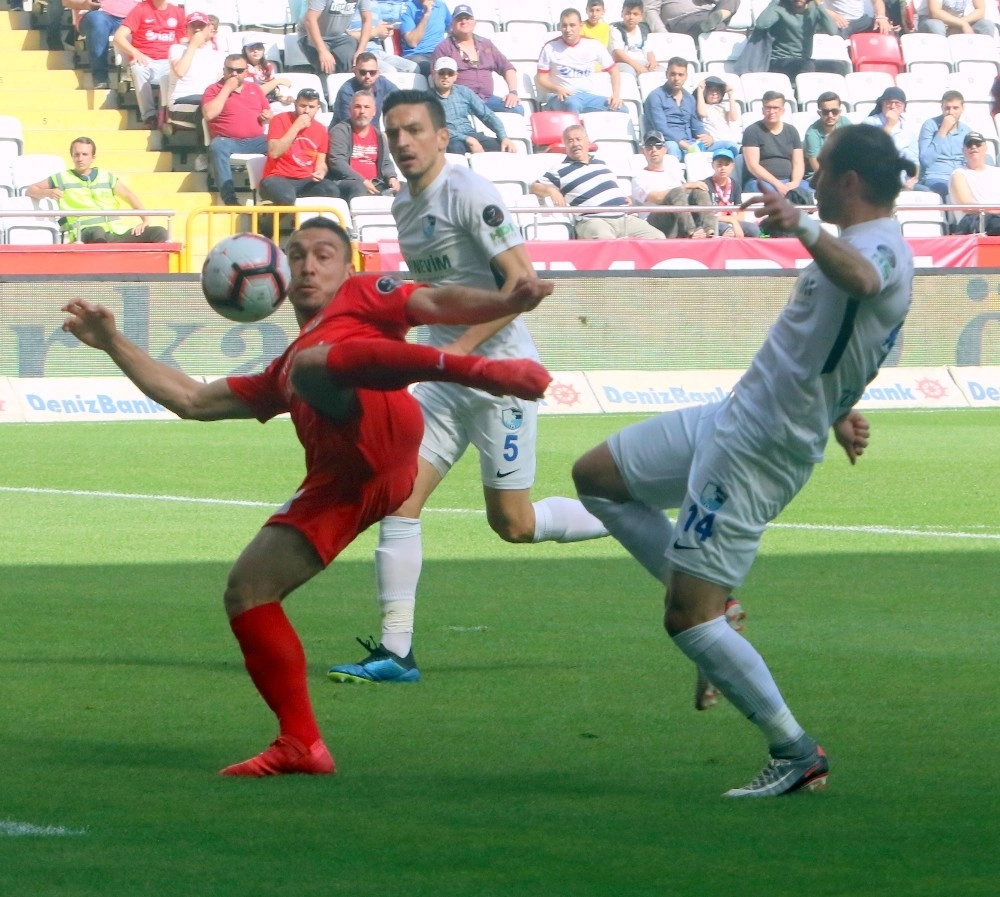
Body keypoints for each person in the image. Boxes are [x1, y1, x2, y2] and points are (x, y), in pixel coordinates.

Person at [61, 216, 553, 777]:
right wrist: (112, 342)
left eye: (323, 254)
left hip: (388, 438)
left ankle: (476, 372)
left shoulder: (365, 295)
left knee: (318, 365)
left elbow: (435, 302)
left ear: (348, 268)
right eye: (295, 255)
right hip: (343, 482)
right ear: (280, 274)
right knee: (247, 590)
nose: (308, 265)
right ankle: (301, 743)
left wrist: (501, 300)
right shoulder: (282, 370)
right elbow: (193, 400)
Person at [571, 123, 915, 797]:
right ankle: (717, 609)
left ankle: (795, 750)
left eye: (819, 173)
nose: (809, 182)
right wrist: (841, 406)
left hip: (760, 447)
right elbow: (841, 337)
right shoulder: (857, 242)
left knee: (683, 617)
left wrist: (803, 227)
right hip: (734, 415)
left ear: (848, 181)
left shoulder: (878, 249)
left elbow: (867, 282)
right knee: (597, 476)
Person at [327, 91, 610, 684]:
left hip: (500, 380)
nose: (401, 142)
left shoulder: (471, 193)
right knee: (398, 499)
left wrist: (457, 351)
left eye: (413, 130)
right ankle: (396, 652)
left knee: (514, 524)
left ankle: (628, 516)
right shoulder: (403, 202)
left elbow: (521, 282)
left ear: (440, 136)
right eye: (393, 132)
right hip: (443, 382)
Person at [531, 123, 667, 239]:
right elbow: (533, 186)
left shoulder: (601, 162)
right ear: (565, 145)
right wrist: (550, 190)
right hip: (593, 220)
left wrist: (622, 198)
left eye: (578, 139)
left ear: (587, 141)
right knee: (606, 241)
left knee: (658, 238)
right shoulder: (559, 169)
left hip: (624, 217)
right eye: (570, 141)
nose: (575, 144)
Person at [26, 136, 168, 243]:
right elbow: (30, 190)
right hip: (85, 233)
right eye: (76, 154)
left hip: (116, 232)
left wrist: (145, 220)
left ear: (93, 157)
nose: (80, 159)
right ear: (72, 156)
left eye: (84, 154)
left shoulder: (105, 176)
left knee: (160, 233)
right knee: (97, 233)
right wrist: (46, 193)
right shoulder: (62, 178)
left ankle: (158, 280)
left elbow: (128, 195)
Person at [202, 54, 272, 206]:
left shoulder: (254, 88)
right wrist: (227, 89)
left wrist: (267, 116)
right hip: (227, 140)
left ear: (246, 72)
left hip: (257, 140)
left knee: (279, 143)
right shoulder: (213, 89)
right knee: (217, 147)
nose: (234, 74)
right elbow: (209, 114)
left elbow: (267, 112)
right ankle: (230, 200)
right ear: (224, 70)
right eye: (230, 70)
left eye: (239, 70)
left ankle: (272, 193)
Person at [431, 5, 524, 114]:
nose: (463, 21)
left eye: (467, 18)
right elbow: (436, 76)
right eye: (459, 19)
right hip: (460, 101)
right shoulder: (444, 47)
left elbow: (508, 68)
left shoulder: (486, 44)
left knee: (517, 109)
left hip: (487, 99)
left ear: (474, 22)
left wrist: (513, 93)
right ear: (452, 24)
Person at [258, 88, 341, 210]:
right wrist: (295, 127)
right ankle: (266, 227)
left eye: (311, 107)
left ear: (318, 108)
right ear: (295, 104)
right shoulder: (279, 120)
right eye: (303, 105)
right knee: (286, 197)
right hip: (277, 177)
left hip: (306, 180)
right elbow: (274, 153)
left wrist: (321, 172)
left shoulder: (321, 130)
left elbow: (321, 163)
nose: (306, 111)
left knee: (331, 190)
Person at [537, 8, 625, 114]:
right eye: (564, 25)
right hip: (559, 98)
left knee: (621, 108)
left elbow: (614, 70)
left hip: (587, 96)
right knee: (573, 104)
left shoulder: (593, 45)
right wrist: (557, 89)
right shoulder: (550, 47)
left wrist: (616, 96)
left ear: (581, 25)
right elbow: (541, 78)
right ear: (560, 26)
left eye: (572, 25)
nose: (568, 29)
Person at [112, 0, 186, 128]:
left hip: (169, 60)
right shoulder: (141, 9)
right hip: (146, 59)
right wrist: (135, 52)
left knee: (182, 69)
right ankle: (149, 115)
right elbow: (118, 37)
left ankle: (172, 115)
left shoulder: (177, 12)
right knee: (138, 69)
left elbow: (183, 40)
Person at [631, 130, 718, 237]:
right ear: (643, 151)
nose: (654, 150)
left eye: (658, 146)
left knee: (698, 190)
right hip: (653, 223)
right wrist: (686, 186)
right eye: (649, 146)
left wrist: (692, 187)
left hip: (677, 218)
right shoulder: (639, 177)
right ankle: (691, 232)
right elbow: (657, 198)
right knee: (677, 191)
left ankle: (710, 230)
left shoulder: (673, 171)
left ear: (664, 149)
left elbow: (684, 195)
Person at [429, 57, 516, 153]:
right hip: (448, 139)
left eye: (450, 73)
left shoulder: (464, 92)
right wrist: (467, 139)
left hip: (470, 134)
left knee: (504, 147)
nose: (446, 76)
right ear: (434, 74)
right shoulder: (426, 99)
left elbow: (486, 115)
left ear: (455, 76)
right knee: (455, 148)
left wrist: (503, 136)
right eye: (442, 72)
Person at [326, 90, 400, 201]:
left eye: (366, 107)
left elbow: (385, 162)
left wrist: (392, 177)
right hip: (347, 183)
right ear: (349, 110)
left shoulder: (379, 135)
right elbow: (337, 162)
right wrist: (362, 180)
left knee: (409, 188)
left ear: (374, 111)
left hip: (376, 183)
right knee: (358, 187)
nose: (362, 111)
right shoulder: (340, 131)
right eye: (357, 107)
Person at [741, 90, 812, 202]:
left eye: (776, 108)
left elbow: (798, 162)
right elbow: (753, 166)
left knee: (809, 192)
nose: (771, 111)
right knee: (770, 194)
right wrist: (778, 185)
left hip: (790, 182)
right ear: (762, 110)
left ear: (782, 110)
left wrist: (795, 183)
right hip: (762, 181)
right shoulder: (752, 131)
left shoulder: (791, 131)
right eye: (768, 107)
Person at [753, 0, 846, 82]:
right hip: (779, 60)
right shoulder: (780, 8)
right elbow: (761, 24)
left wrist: (820, 5)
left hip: (804, 59)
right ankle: (803, 97)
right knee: (805, 65)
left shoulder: (814, 9)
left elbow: (833, 31)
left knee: (838, 67)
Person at [165, 12, 226, 131]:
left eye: (201, 25)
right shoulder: (177, 49)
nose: (197, 29)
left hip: (207, 99)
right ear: (186, 29)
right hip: (181, 102)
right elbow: (180, 72)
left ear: (209, 29)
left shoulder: (217, 55)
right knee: (208, 109)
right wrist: (193, 44)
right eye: (193, 25)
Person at [643, 58, 712, 162]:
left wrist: (708, 138)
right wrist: (685, 145)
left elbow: (697, 126)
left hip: (691, 143)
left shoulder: (690, 99)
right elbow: (661, 129)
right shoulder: (655, 97)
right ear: (666, 74)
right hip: (667, 142)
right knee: (672, 147)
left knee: (727, 145)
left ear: (686, 76)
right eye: (673, 74)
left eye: (680, 75)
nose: (676, 78)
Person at [66, 0, 138, 90]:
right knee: (98, 20)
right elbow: (66, 2)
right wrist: (85, 4)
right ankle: (100, 76)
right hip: (98, 14)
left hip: (134, 15)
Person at [918, 90, 973, 200]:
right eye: (947, 108)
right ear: (942, 107)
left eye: (955, 108)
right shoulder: (930, 125)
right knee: (946, 189)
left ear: (962, 108)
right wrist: (942, 131)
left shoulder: (966, 131)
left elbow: (968, 161)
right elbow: (925, 161)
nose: (951, 112)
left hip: (960, 176)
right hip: (936, 176)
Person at [863, 86, 920, 190]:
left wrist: (911, 181)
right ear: (882, 104)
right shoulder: (869, 123)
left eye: (897, 103)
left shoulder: (908, 128)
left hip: (902, 182)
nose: (893, 106)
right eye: (889, 102)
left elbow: (914, 160)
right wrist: (889, 125)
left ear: (903, 107)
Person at [299, 0, 372, 77]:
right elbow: (310, 20)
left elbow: (367, 20)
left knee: (355, 62)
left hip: (338, 36)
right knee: (326, 66)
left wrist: (360, 51)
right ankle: (325, 86)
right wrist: (323, 51)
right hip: (310, 35)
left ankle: (349, 86)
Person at [948, 130, 1000, 234]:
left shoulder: (997, 172)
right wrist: (995, 211)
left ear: (985, 148)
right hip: (973, 220)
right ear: (964, 150)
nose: (973, 147)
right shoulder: (958, 174)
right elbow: (967, 206)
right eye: (969, 144)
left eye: (977, 144)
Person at [346, 0, 419, 73]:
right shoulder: (349, 5)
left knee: (413, 68)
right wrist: (375, 32)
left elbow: (379, 29)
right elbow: (345, 36)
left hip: (380, 52)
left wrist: (386, 31)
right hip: (361, 54)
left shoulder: (374, 4)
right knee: (388, 71)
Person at [702, 146, 761, 237]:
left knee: (754, 229)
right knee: (727, 230)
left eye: (726, 164)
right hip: (714, 222)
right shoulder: (706, 184)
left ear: (732, 166)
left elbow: (741, 215)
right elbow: (707, 216)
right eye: (719, 164)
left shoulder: (735, 185)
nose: (723, 168)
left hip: (732, 220)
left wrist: (733, 221)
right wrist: (731, 221)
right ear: (712, 165)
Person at [332, 52, 401, 126]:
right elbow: (350, 126)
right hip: (345, 134)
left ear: (378, 73)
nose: (368, 76)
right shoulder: (346, 92)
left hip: (372, 134)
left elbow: (403, 101)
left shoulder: (384, 84)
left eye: (372, 72)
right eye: (363, 72)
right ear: (355, 71)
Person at [803, 91, 849, 180]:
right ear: (819, 113)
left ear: (840, 111)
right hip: (818, 177)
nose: (830, 115)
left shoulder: (845, 122)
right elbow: (815, 164)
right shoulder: (812, 133)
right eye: (825, 112)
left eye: (834, 111)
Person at [399, 0, 452, 76]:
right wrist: (426, 14)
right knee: (430, 68)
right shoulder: (408, 7)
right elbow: (412, 42)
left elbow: (452, 29)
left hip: (439, 53)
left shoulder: (441, 6)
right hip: (417, 55)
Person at [695, 75, 742, 156]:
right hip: (714, 144)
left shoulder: (724, 106)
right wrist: (700, 90)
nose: (714, 93)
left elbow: (733, 117)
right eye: (710, 90)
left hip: (730, 142)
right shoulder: (703, 106)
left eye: (717, 90)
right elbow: (702, 113)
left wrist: (730, 94)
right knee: (731, 146)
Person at [644, 0, 739, 37]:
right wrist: (663, 33)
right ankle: (716, 21)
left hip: (708, 12)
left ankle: (720, 15)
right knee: (717, 27)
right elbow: (650, 9)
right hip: (681, 19)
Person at [611, 0, 658, 75]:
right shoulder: (616, 29)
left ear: (641, 16)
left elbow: (649, 51)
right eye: (628, 13)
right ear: (622, 14)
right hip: (625, 63)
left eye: (635, 14)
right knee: (629, 72)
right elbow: (618, 54)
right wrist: (637, 66)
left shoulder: (643, 30)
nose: (631, 17)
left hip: (643, 62)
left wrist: (652, 61)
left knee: (661, 71)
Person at [242, 36, 293, 105]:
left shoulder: (267, 66)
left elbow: (273, 87)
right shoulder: (243, 68)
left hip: (267, 100)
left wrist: (281, 98)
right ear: (245, 51)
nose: (255, 50)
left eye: (259, 47)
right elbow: (253, 92)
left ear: (263, 49)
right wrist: (277, 81)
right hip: (250, 102)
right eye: (251, 48)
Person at [915, 0, 994, 35]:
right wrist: (962, 24)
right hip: (933, 21)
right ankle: (941, 60)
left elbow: (980, 11)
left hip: (960, 21)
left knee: (986, 25)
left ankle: (981, 60)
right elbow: (935, 13)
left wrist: (962, 22)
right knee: (936, 26)